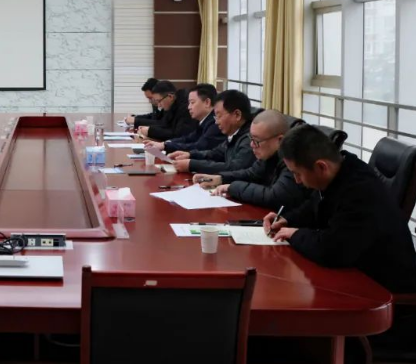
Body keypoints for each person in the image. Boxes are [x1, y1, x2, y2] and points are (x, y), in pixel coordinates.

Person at [265, 125, 416, 295]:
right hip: (355, 270)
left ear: (321, 167)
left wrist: (294, 234)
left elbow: (330, 250)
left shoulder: (359, 191)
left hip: (384, 290)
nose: (297, 180)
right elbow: (314, 206)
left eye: (297, 173)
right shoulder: (341, 169)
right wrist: (287, 219)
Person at [193, 110, 308, 210]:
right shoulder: (269, 154)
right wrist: (220, 178)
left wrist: (232, 187)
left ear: (280, 140)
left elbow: (274, 197)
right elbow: (251, 174)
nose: (252, 145)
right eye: (251, 139)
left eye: (257, 141)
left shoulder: (293, 160)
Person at [169, 90, 255, 174]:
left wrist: (192, 165)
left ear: (237, 115)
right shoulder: (234, 134)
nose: (216, 122)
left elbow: (235, 168)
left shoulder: (251, 139)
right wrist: (190, 155)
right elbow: (215, 153)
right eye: (215, 117)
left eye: (219, 116)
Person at [145, 84, 223, 154]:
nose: (189, 107)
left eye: (192, 102)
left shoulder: (215, 123)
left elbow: (199, 146)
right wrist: (164, 144)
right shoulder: (203, 121)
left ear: (207, 102)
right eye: (189, 103)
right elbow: (188, 139)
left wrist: (165, 146)